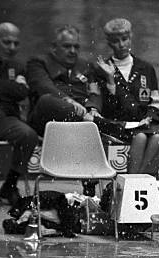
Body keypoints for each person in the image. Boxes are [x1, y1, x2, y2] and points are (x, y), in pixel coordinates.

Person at [26, 25, 104, 196]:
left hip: (79, 123)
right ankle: (91, 123)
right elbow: (43, 86)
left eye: (76, 46)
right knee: (47, 100)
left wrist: (93, 108)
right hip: (46, 122)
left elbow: (95, 92)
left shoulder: (86, 66)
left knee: (90, 118)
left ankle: (90, 188)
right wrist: (69, 102)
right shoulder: (38, 63)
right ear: (54, 47)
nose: (72, 51)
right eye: (67, 46)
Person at [96, 18, 159, 174]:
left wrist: (149, 118)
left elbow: (155, 103)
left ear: (131, 38)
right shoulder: (101, 69)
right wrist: (110, 80)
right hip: (117, 123)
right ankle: (134, 179)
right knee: (140, 137)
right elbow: (108, 108)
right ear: (109, 43)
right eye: (115, 41)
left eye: (124, 39)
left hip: (144, 123)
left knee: (158, 137)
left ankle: (137, 179)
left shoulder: (146, 68)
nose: (121, 45)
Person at [0, 22, 39, 207]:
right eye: (6, 42)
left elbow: (21, 92)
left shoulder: (17, 66)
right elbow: (14, 89)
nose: (12, 48)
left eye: (15, 43)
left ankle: (10, 184)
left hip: (3, 116)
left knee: (28, 135)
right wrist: (6, 87)